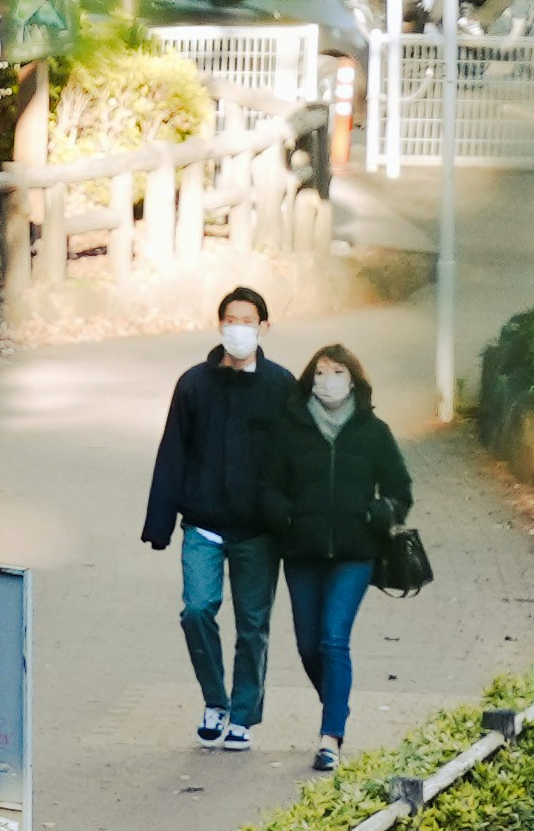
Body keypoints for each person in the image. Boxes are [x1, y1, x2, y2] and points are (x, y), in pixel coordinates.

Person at [261, 339, 416, 774]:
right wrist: (283, 515)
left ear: (354, 380)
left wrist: (379, 512)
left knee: (333, 639)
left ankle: (331, 736)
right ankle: (337, 707)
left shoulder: (372, 431)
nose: (329, 381)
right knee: (309, 646)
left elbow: (400, 488)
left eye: (338, 372)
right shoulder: (290, 427)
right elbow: (269, 485)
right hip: (302, 552)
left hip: (355, 553)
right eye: (322, 372)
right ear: (310, 378)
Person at [140, 283, 285, 750]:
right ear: (219, 325)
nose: (237, 329)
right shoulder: (194, 384)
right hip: (202, 524)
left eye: (247, 321)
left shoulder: (282, 387)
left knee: (252, 625)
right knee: (196, 610)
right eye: (230, 320)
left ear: (264, 327)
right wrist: (159, 524)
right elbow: (172, 453)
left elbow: (295, 460)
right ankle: (215, 700)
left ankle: (243, 714)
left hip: (258, 532)